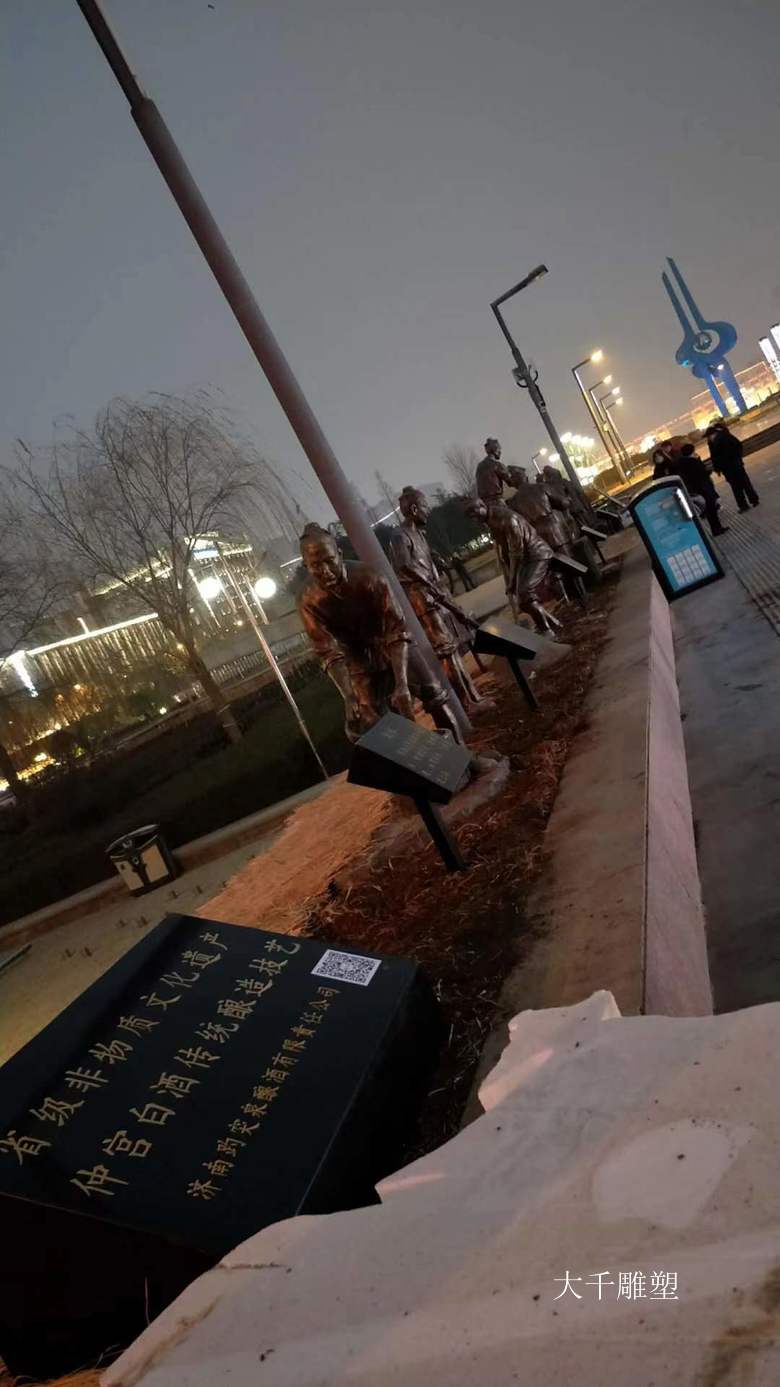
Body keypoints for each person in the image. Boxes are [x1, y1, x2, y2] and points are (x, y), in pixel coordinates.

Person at [297, 523, 462, 743]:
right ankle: (414, 760)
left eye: (329, 560)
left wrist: (402, 683)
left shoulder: (369, 577)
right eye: (316, 565)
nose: (325, 571)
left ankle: (462, 754)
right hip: (356, 660)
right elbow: (328, 652)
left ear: (340, 554)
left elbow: (397, 628)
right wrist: (348, 696)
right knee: (369, 721)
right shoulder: (307, 600)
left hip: (392, 644)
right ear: (306, 566)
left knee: (434, 692)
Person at [389, 488, 484, 708]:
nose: (428, 511)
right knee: (446, 652)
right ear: (414, 509)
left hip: (434, 596)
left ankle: (473, 697)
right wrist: (431, 586)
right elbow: (405, 566)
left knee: (451, 649)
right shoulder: (399, 535)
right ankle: (467, 703)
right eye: (425, 507)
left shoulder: (419, 534)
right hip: (422, 601)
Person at [467, 499, 561, 636]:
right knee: (522, 600)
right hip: (526, 560)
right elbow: (505, 548)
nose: (474, 519)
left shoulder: (507, 520)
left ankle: (546, 630)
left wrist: (512, 580)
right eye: (471, 517)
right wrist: (510, 574)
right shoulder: (492, 521)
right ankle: (551, 623)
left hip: (537, 555)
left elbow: (516, 552)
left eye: (475, 514)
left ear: (482, 506)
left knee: (525, 593)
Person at [654, 438, 728, 537]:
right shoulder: (691, 462)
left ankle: (716, 528)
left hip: (696, 489)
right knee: (711, 510)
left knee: (709, 509)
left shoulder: (681, 463)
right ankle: (717, 529)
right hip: (702, 489)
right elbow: (702, 474)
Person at [706, 420, 759, 513]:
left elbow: (716, 457)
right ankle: (753, 500)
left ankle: (744, 505)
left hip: (730, 467)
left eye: (709, 436)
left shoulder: (721, 438)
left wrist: (719, 467)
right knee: (744, 484)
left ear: (713, 434)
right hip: (733, 466)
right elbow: (738, 446)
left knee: (737, 487)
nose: (708, 438)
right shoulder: (719, 439)